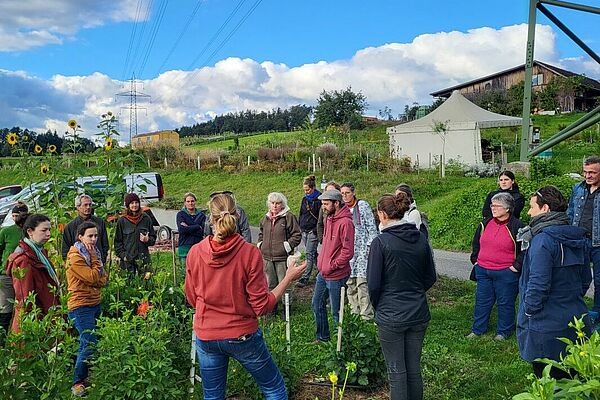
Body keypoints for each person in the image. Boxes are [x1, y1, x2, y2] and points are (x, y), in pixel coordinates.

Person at [185, 193, 307, 400]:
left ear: (211, 219)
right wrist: (287, 278)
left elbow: (191, 299)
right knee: (274, 389)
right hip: (241, 335)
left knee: (213, 396)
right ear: (237, 215)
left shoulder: (195, 253)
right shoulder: (249, 253)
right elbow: (262, 306)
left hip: (207, 335)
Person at [517, 186, 592, 379]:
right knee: (574, 378)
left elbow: (538, 284)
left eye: (532, 207)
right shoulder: (576, 236)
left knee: (548, 380)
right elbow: (585, 278)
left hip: (546, 322)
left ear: (545, 209)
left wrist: (529, 310)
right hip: (575, 317)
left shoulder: (542, 240)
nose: (528, 212)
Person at [367, 192, 436, 400]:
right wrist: (413, 293)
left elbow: (373, 284)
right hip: (418, 312)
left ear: (381, 214)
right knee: (414, 368)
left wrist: (382, 305)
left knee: (396, 372)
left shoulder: (381, 242)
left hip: (391, 314)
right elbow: (430, 277)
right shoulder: (420, 238)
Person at [468, 192, 524, 340]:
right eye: (492, 205)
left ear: (507, 209)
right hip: (484, 270)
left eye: (497, 206)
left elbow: (525, 249)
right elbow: (476, 244)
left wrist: (516, 266)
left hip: (506, 272)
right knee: (482, 302)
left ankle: (503, 332)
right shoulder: (485, 224)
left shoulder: (518, 226)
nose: (493, 208)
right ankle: (477, 329)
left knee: (505, 303)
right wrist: (476, 260)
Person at [66, 221, 108, 397]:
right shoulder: (76, 256)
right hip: (80, 305)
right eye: (90, 235)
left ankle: (83, 377)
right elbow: (92, 277)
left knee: (89, 341)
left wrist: (97, 277)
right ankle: (77, 381)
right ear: (80, 236)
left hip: (94, 302)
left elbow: (103, 279)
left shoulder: (93, 254)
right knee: (89, 342)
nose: (93, 239)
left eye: (96, 235)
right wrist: (96, 270)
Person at [312, 189, 354, 342]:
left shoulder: (346, 223)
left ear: (337, 203)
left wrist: (333, 265)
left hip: (336, 275)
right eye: (322, 203)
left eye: (326, 204)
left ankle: (340, 344)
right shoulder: (329, 219)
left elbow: (348, 251)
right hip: (323, 273)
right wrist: (321, 262)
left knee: (337, 312)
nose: (323, 207)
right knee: (317, 304)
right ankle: (323, 337)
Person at [5, 214, 59, 333]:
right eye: (44, 230)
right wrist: (31, 327)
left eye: (49, 230)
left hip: (46, 315)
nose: (49, 234)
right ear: (30, 231)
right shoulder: (24, 259)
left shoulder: (39, 252)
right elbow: (25, 298)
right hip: (36, 321)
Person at [258, 192, 302, 315]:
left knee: (285, 284)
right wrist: (260, 244)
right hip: (267, 258)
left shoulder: (288, 217)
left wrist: (286, 246)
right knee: (271, 284)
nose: (275, 206)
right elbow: (261, 233)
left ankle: (286, 310)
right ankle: (272, 308)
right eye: (273, 203)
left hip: (282, 258)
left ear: (282, 204)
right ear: (269, 204)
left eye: (278, 203)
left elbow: (297, 235)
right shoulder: (265, 218)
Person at [567, 156, 600, 317]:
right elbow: (571, 212)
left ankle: (596, 313)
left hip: (598, 243)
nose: (587, 176)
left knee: (599, 280)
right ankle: (575, 309)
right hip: (579, 240)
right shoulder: (578, 188)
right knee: (576, 277)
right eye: (585, 172)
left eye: (592, 173)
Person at [341, 182, 378, 320]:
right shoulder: (342, 209)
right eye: (342, 193)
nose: (345, 196)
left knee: (362, 283)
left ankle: (366, 315)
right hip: (348, 251)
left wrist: (370, 247)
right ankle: (354, 313)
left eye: (347, 193)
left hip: (362, 250)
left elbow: (372, 228)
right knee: (350, 283)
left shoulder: (362, 206)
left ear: (353, 193)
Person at [0, 202, 28, 344]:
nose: (16, 218)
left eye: (19, 216)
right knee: (6, 307)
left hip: (25, 275)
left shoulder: (29, 231)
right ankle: (3, 341)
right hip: (7, 275)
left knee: (24, 306)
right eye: (14, 216)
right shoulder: (6, 231)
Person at [114, 193, 156, 275]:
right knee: (128, 285)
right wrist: (123, 256)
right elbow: (117, 242)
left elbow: (153, 238)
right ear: (128, 205)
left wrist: (147, 240)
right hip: (128, 260)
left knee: (146, 283)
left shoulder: (146, 218)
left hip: (144, 258)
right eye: (132, 203)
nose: (134, 205)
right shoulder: (122, 221)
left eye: (136, 202)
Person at [62, 194, 109, 264]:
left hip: (98, 262)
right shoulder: (70, 227)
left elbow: (105, 243)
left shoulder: (100, 222)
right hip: (79, 264)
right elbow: (65, 249)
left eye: (90, 205)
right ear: (78, 207)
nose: (88, 207)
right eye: (85, 205)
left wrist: (103, 258)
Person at [296, 176, 321, 287]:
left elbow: (321, 217)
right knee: (313, 252)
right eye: (304, 190)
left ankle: (305, 277)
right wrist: (299, 226)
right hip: (304, 229)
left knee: (309, 254)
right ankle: (321, 270)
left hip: (312, 231)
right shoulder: (304, 199)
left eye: (308, 190)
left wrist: (316, 230)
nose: (306, 192)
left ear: (313, 188)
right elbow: (301, 213)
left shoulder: (319, 199)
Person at [176, 192, 206, 267]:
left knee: (198, 271)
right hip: (184, 247)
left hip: (198, 246)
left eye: (192, 201)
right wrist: (197, 227)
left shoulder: (201, 215)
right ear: (185, 203)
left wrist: (188, 228)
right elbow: (182, 230)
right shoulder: (181, 214)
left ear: (195, 202)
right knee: (185, 273)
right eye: (188, 201)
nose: (190, 203)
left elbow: (203, 232)